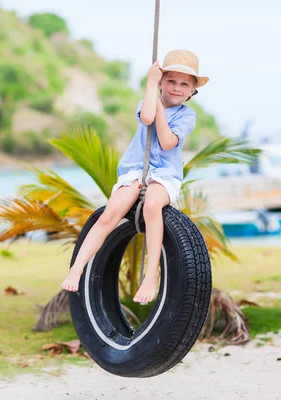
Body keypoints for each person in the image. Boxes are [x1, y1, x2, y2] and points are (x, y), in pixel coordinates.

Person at [61, 49, 209, 304]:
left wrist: (160, 102)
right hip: (135, 168)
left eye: (184, 84)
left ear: (192, 91)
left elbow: (165, 142)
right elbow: (148, 116)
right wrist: (151, 84)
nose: (176, 88)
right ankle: (78, 266)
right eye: (170, 81)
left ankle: (152, 274)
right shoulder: (147, 101)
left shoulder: (187, 115)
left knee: (152, 205)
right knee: (110, 213)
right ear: (161, 81)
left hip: (165, 173)